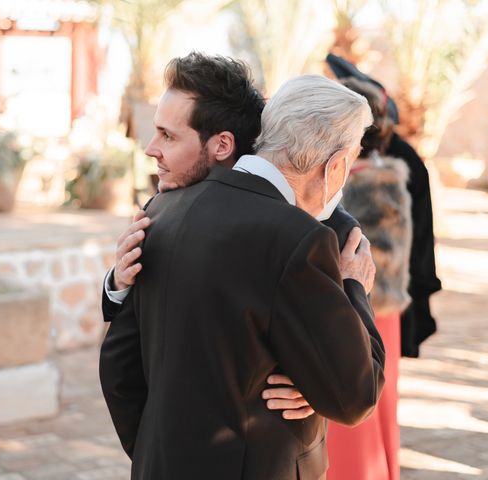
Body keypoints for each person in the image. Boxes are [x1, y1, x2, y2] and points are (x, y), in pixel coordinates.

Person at [99, 70, 385, 479]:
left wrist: (155, 454)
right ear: (336, 165)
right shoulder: (302, 240)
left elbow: (118, 366)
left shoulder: (158, 213)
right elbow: (356, 394)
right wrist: (355, 287)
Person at [322, 77, 413, 480]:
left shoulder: (358, 181)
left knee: (359, 413)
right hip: (377, 308)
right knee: (372, 408)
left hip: (362, 308)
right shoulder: (385, 176)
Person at [325, 53, 441, 358]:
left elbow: (376, 253)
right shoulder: (378, 167)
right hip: (366, 303)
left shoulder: (373, 178)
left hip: (366, 301)